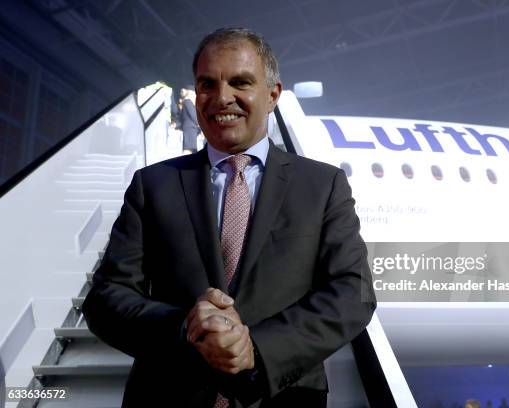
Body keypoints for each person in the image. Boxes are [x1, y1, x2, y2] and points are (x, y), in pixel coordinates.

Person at [82, 27, 375, 408]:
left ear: (272, 96)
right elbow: (106, 299)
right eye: (207, 84)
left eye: (240, 82)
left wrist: (257, 349)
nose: (222, 98)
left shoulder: (323, 185)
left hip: (281, 395)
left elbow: (353, 293)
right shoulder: (153, 185)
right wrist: (186, 328)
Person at [180, 86, 201, 154]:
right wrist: (200, 123)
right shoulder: (188, 101)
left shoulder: (185, 101)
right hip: (190, 129)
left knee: (191, 149)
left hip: (190, 128)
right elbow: (193, 115)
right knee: (189, 149)